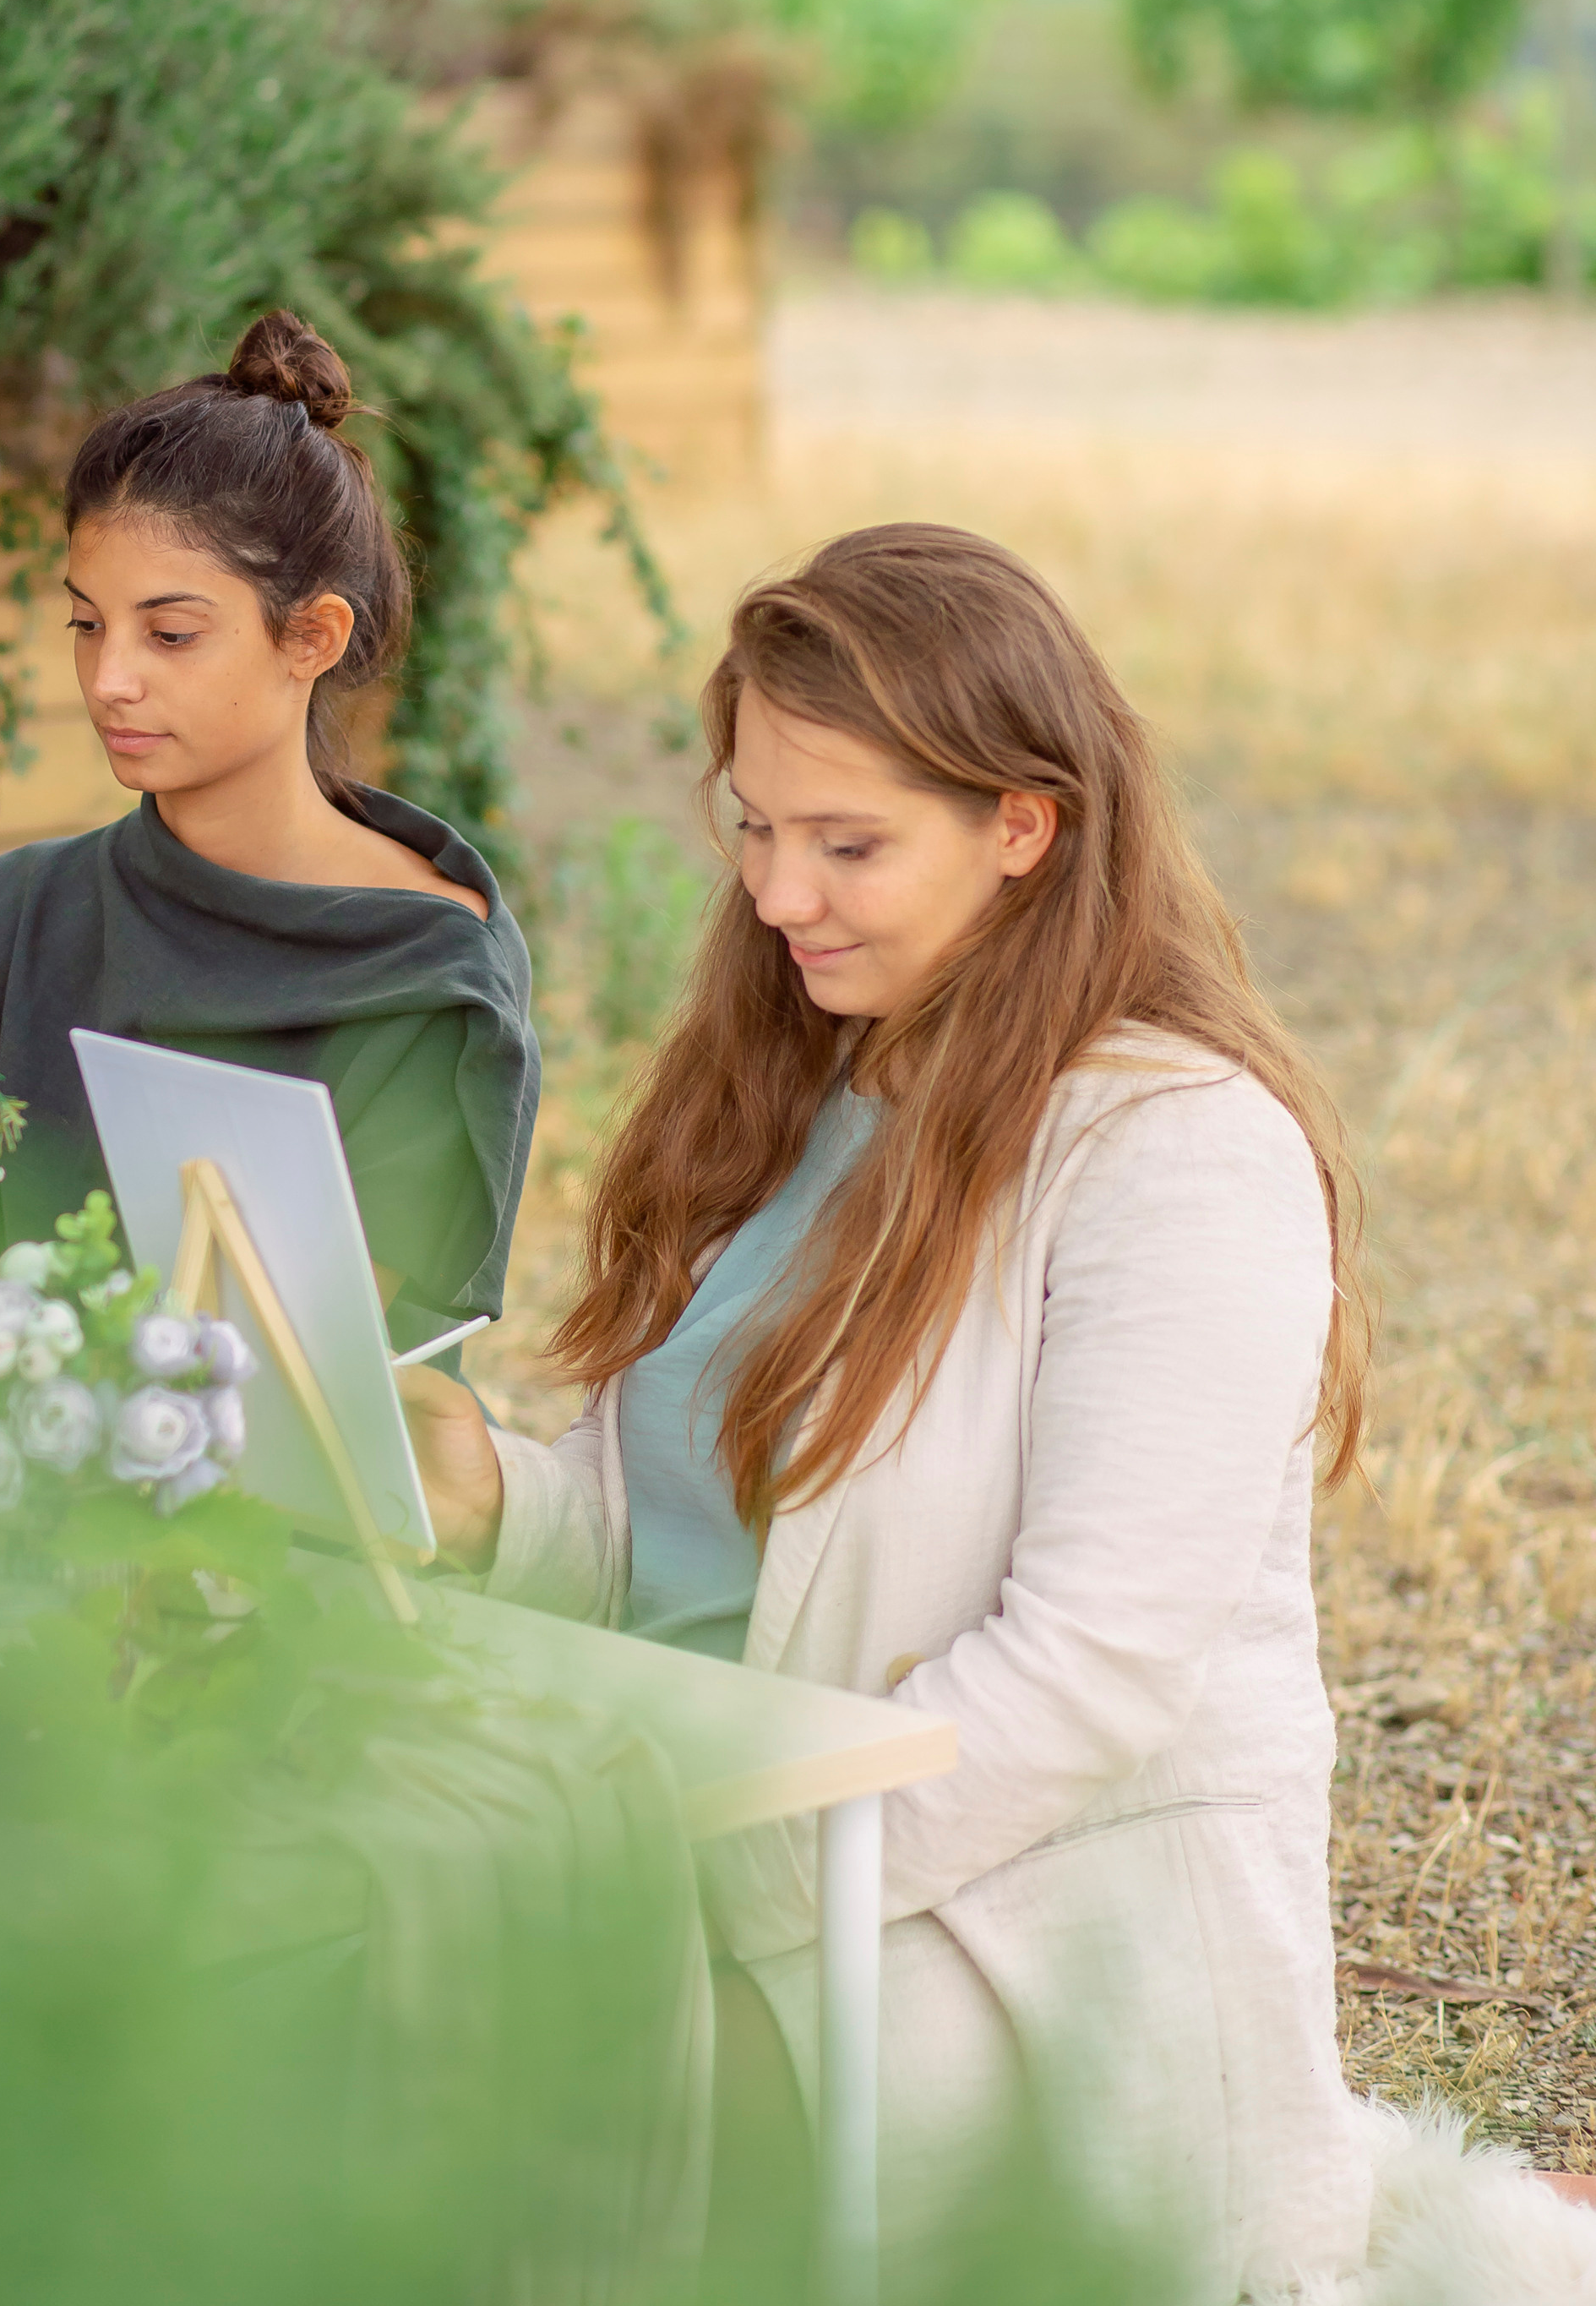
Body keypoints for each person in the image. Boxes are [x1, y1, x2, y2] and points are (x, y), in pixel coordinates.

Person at [400, 520, 1378, 2290]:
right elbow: (692, 1550)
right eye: (756, 830)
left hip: (954, 1943)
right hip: (677, 1844)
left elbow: (1086, 1675)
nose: (776, 898)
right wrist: (493, 1507)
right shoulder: (816, 1084)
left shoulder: (1179, 1155)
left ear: (1026, 827)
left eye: (847, 845)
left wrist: (711, 1889)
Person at [0, 310, 539, 1360]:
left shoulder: (426, 973)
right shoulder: (11, 919)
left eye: (170, 634)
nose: (111, 679)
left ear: (312, 636)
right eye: (86, 623)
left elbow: (302, 1385)